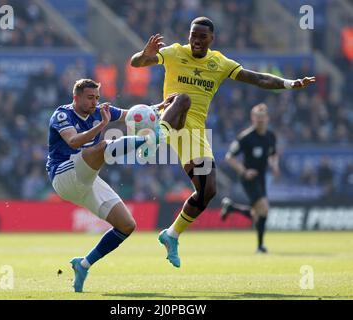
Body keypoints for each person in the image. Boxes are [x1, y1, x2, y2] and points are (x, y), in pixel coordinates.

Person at [130, 17, 316, 267]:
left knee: (208, 191)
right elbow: (136, 63)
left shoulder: (219, 63)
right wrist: (145, 54)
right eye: (193, 35)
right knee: (182, 97)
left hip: (195, 134)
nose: (196, 40)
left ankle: (171, 234)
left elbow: (258, 79)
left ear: (211, 39)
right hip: (171, 120)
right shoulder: (174, 52)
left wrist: (289, 83)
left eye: (201, 36)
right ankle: (155, 137)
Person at [46, 79, 182, 292]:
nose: (94, 102)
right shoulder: (62, 115)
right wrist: (102, 125)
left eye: (97, 98)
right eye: (90, 98)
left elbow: (134, 114)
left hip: (86, 180)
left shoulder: (100, 110)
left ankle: (83, 265)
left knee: (127, 225)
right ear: (76, 97)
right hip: (64, 175)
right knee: (101, 147)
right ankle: (148, 140)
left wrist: (161, 106)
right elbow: (73, 142)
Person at [221, 103, 279, 253]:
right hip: (249, 178)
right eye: (257, 118)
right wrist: (244, 171)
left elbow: (273, 154)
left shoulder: (271, 136)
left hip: (261, 178)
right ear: (252, 118)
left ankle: (231, 207)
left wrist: (274, 166)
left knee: (258, 214)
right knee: (264, 210)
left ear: (267, 118)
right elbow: (230, 157)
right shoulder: (245, 137)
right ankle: (260, 247)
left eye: (263, 117)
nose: (260, 120)